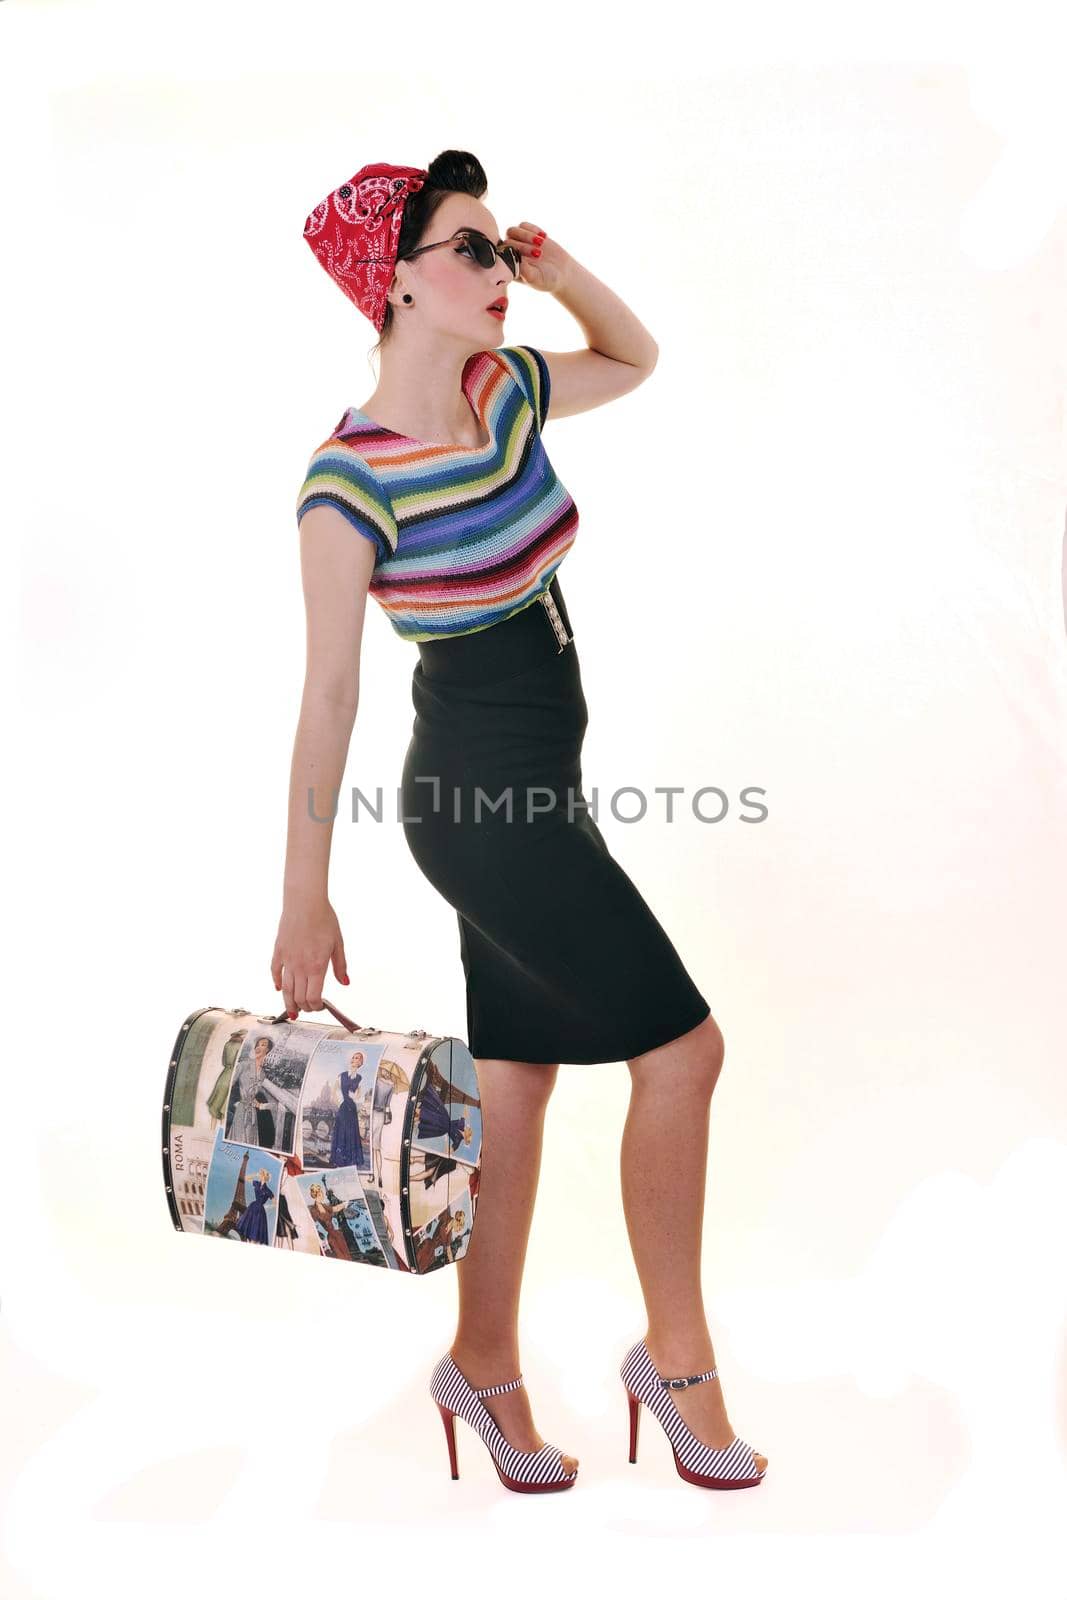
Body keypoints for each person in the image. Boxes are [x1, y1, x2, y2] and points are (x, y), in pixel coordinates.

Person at [274, 150, 767, 1492]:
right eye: (474, 252)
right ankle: (677, 1363)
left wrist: (559, 272)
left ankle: (479, 1360)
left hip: (541, 790)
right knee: (687, 1053)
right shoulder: (348, 482)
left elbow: (639, 356)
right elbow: (328, 697)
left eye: (499, 250)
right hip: (478, 806)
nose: (498, 274)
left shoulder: (506, 391)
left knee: (520, 1082)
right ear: (397, 282)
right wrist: (302, 894)